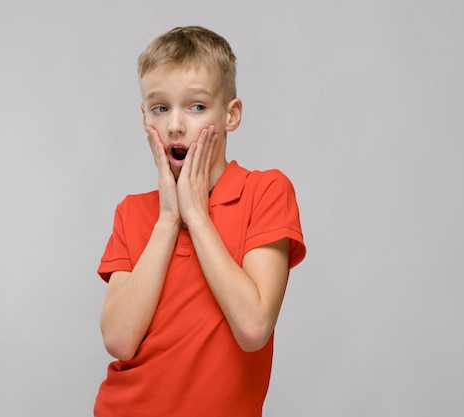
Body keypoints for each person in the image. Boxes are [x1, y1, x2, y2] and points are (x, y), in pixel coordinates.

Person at [94, 25, 306, 416]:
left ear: (231, 115)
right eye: (160, 108)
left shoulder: (265, 192)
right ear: (145, 119)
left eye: (196, 106)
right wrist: (168, 220)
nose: (176, 125)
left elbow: (253, 327)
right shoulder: (132, 212)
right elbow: (119, 341)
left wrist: (197, 217)